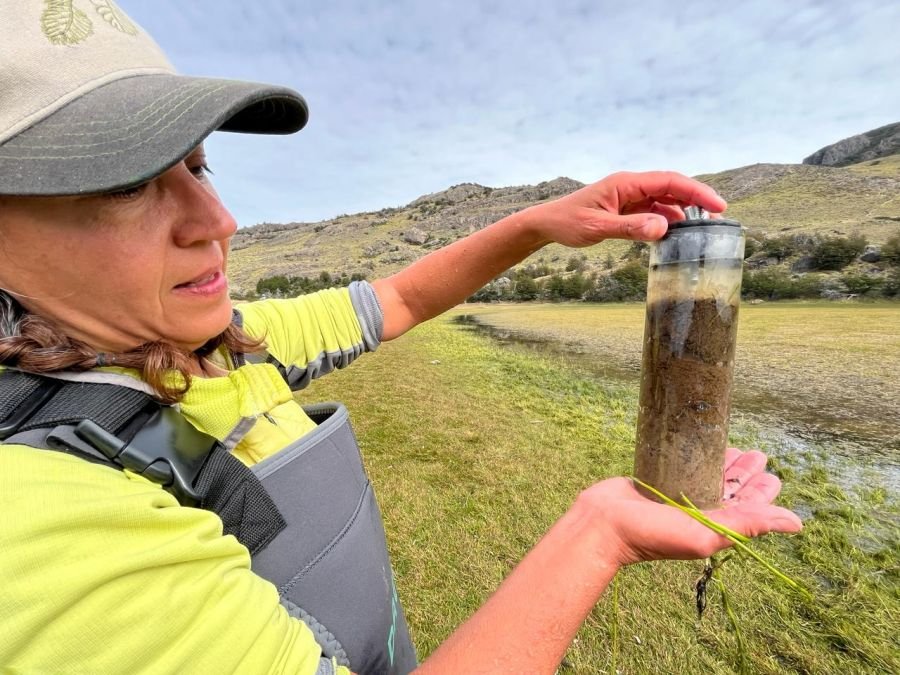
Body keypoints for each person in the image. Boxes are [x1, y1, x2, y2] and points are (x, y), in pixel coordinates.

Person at [0, 2, 802, 674]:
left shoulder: (221, 343)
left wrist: (539, 225)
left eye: (198, 168)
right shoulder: (42, 522)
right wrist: (600, 533)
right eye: (130, 182)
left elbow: (399, 298)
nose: (219, 221)